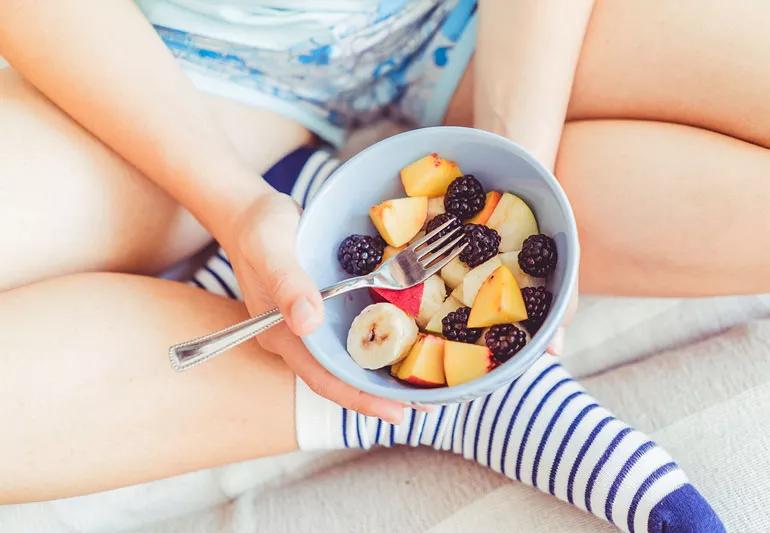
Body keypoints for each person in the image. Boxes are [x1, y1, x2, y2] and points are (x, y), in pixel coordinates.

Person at [4, 0, 767, 530]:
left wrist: (511, 162)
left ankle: (426, 378)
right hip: (188, 72)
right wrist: (233, 206)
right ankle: (387, 390)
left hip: (481, 26)